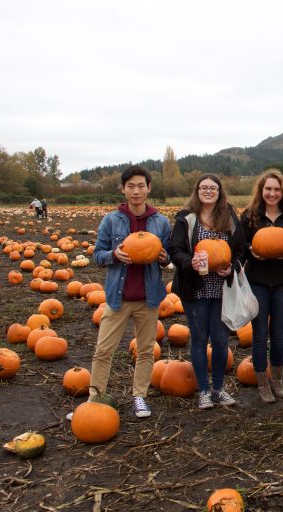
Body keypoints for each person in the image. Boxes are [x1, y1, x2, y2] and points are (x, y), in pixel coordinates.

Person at [88, 165, 171, 418]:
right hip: (118, 298)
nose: (136, 191)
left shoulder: (161, 222)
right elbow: (97, 255)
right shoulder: (111, 220)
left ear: (149, 188)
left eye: (141, 186)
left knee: (146, 351)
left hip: (149, 298)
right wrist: (114, 255)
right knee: (103, 350)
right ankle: (95, 398)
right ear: (123, 189)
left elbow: (166, 258)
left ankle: (139, 397)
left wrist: (164, 258)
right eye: (131, 186)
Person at [169, 175, 245, 409]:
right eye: (204, 188)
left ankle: (219, 389)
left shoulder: (230, 217)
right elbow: (175, 249)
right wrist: (189, 262)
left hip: (222, 290)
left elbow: (241, 250)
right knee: (199, 339)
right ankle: (203, 390)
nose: (208, 191)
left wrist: (231, 269)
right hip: (196, 289)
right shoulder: (186, 218)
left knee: (221, 341)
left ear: (220, 191)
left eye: (213, 188)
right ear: (197, 191)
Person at [240, 169, 283, 403]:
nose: (272, 193)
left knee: (278, 333)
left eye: (277, 189)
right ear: (261, 191)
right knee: (259, 334)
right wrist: (253, 252)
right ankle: (262, 382)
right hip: (257, 281)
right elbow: (241, 245)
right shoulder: (249, 216)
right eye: (268, 189)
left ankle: (277, 378)